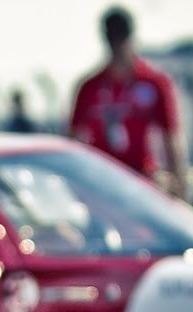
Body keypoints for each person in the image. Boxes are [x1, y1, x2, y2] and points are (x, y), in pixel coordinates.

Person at [68, 6, 185, 193]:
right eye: (112, 37)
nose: (117, 44)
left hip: (142, 183)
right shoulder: (89, 87)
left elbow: (171, 140)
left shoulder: (155, 83)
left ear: (131, 36)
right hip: (100, 184)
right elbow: (73, 143)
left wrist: (180, 191)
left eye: (121, 35)